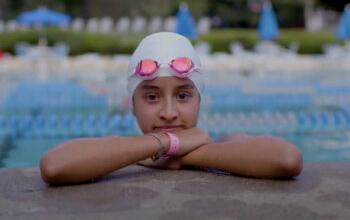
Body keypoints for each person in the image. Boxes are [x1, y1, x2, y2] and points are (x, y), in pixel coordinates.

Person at [40, 32, 302, 185]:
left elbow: (287, 159)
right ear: (132, 105)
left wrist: (174, 152)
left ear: (200, 101)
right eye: (152, 97)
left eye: (183, 96)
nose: (168, 112)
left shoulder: (229, 144)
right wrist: (167, 144)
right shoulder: (118, 148)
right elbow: (53, 166)